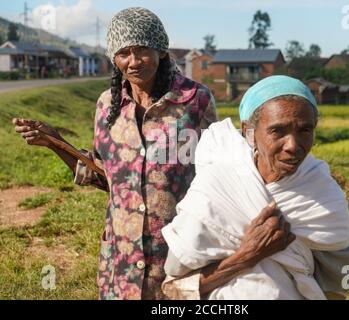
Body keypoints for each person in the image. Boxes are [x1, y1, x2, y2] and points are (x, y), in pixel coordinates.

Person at [12, 7, 218, 300]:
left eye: (142, 51)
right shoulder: (107, 105)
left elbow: (215, 172)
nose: (133, 62)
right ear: (114, 58)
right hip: (121, 261)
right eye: (123, 53)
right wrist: (55, 142)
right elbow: (104, 177)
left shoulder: (195, 100)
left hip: (177, 254)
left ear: (160, 50)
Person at [161, 75, 349, 300]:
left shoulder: (324, 196)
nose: (293, 145)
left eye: (304, 130)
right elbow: (174, 286)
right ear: (248, 132)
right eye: (278, 131)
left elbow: (339, 286)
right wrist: (247, 255)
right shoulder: (215, 188)